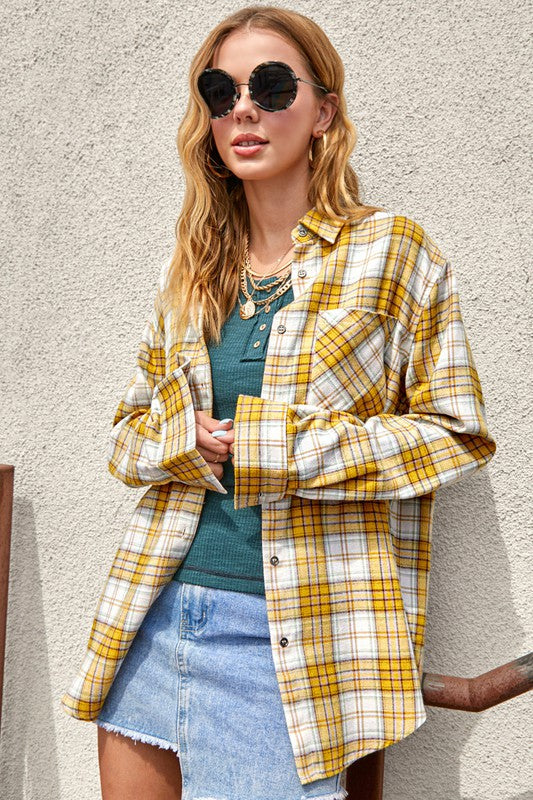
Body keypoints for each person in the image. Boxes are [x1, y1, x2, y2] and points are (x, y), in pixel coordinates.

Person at [61, 5, 496, 799]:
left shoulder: (392, 251)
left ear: (323, 110)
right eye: (219, 92)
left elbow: (454, 436)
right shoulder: (194, 270)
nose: (243, 110)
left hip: (292, 644)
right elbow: (124, 438)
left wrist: (283, 448)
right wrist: (178, 440)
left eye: (269, 85)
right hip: (157, 617)